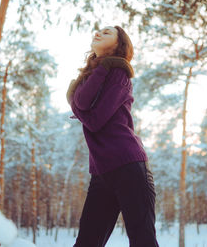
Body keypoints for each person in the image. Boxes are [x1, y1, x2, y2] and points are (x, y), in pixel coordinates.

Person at [66, 25, 160, 247]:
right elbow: (83, 103)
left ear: (119, 45)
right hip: (101, 171)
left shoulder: (119, 73)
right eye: (98, 30)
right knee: (87, 242)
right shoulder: (93, 76)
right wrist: (76, 97)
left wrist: (71, 100)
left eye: (107, 33)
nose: (98, 33)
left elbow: (94, 120)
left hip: (128, 164)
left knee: (142, 240)